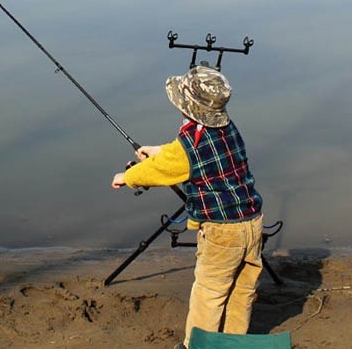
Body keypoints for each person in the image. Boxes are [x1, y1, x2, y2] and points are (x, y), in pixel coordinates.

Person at [111, 65, 264, 348]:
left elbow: (159, 171)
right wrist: (156, 150)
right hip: (252, 221)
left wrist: (127, 178)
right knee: (241, 290)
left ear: (186, 108)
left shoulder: (187, 145)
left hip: (221, 232)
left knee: (210, 291)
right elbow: (183, 152)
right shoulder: (227, 128)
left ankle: (197, 344)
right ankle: (232, 340)